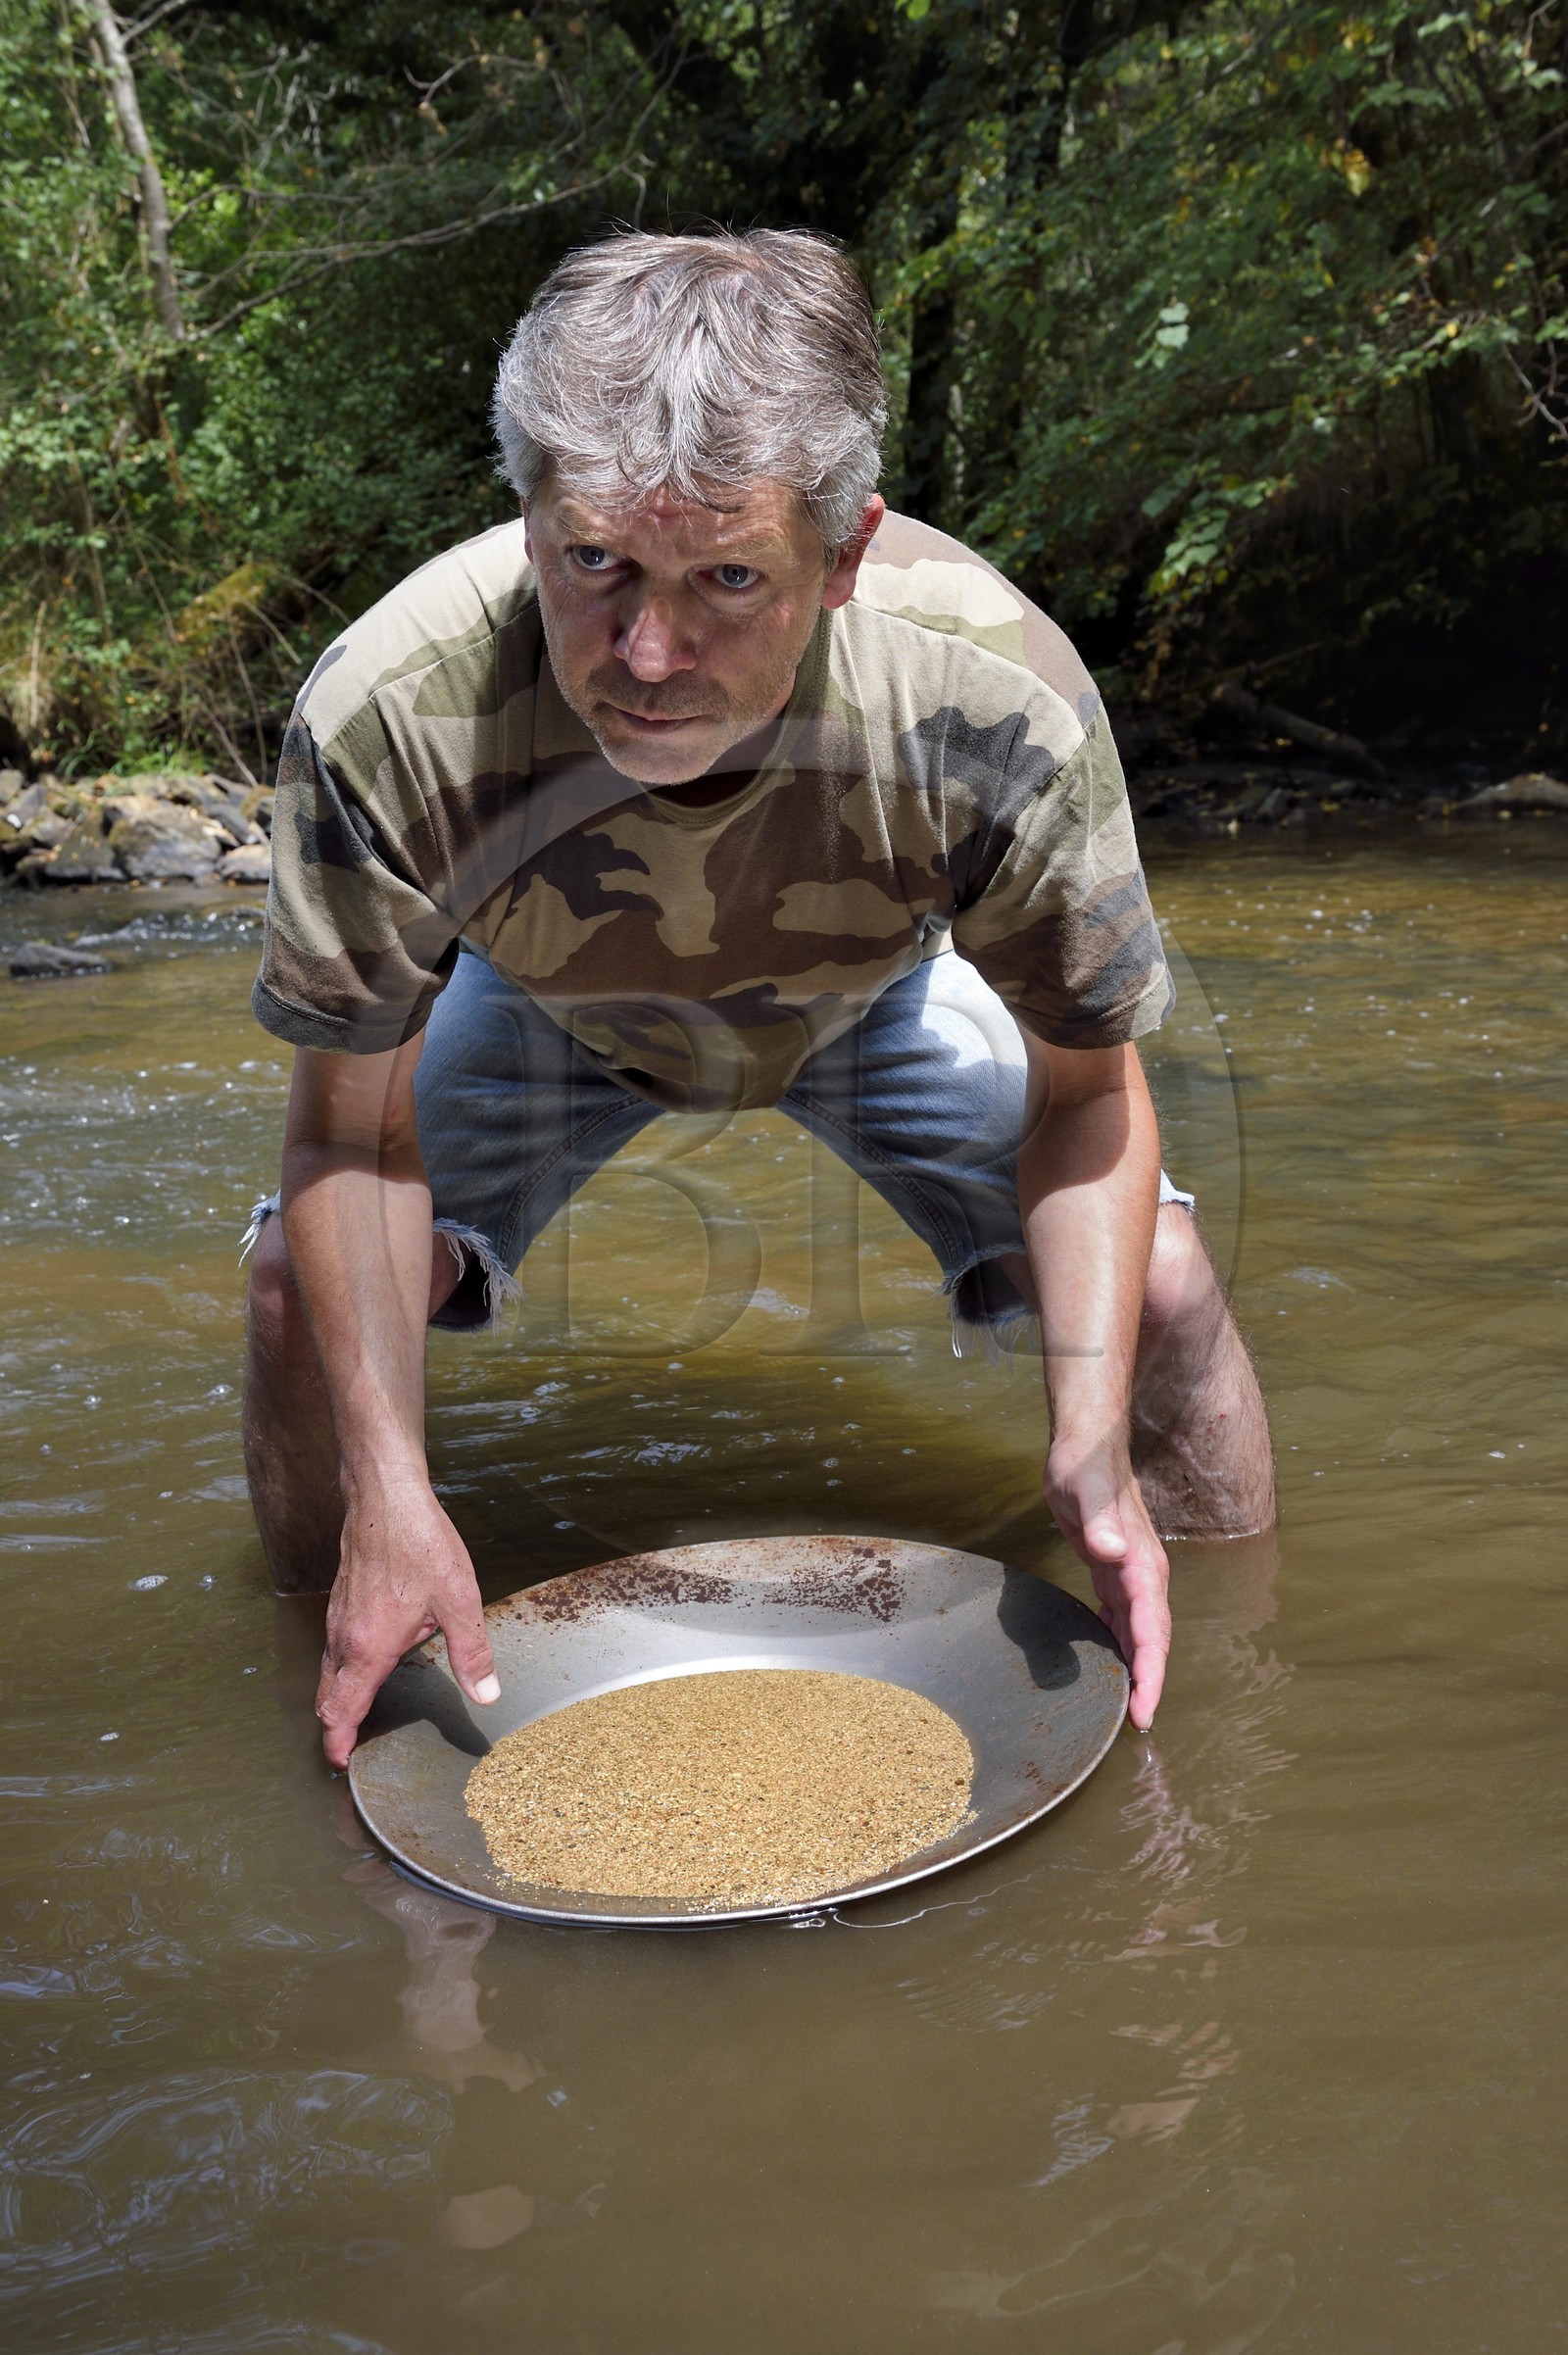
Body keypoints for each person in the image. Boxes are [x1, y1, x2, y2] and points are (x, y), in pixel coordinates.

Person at [242, 228, 1275, 1770]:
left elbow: (1086, 1100)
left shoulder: (996, 694)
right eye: (595, 564)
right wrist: (393, 1491)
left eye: (728, 578)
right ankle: (336, 1669)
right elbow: (349, 1139)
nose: (650, 653)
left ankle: (1231, 1680)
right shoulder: (389, 713)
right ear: (530, 519)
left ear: (844, 557)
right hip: (543, 1003)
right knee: (289, 1293)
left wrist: (1087, 1429)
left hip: (875, 996)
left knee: (1164, 1291)